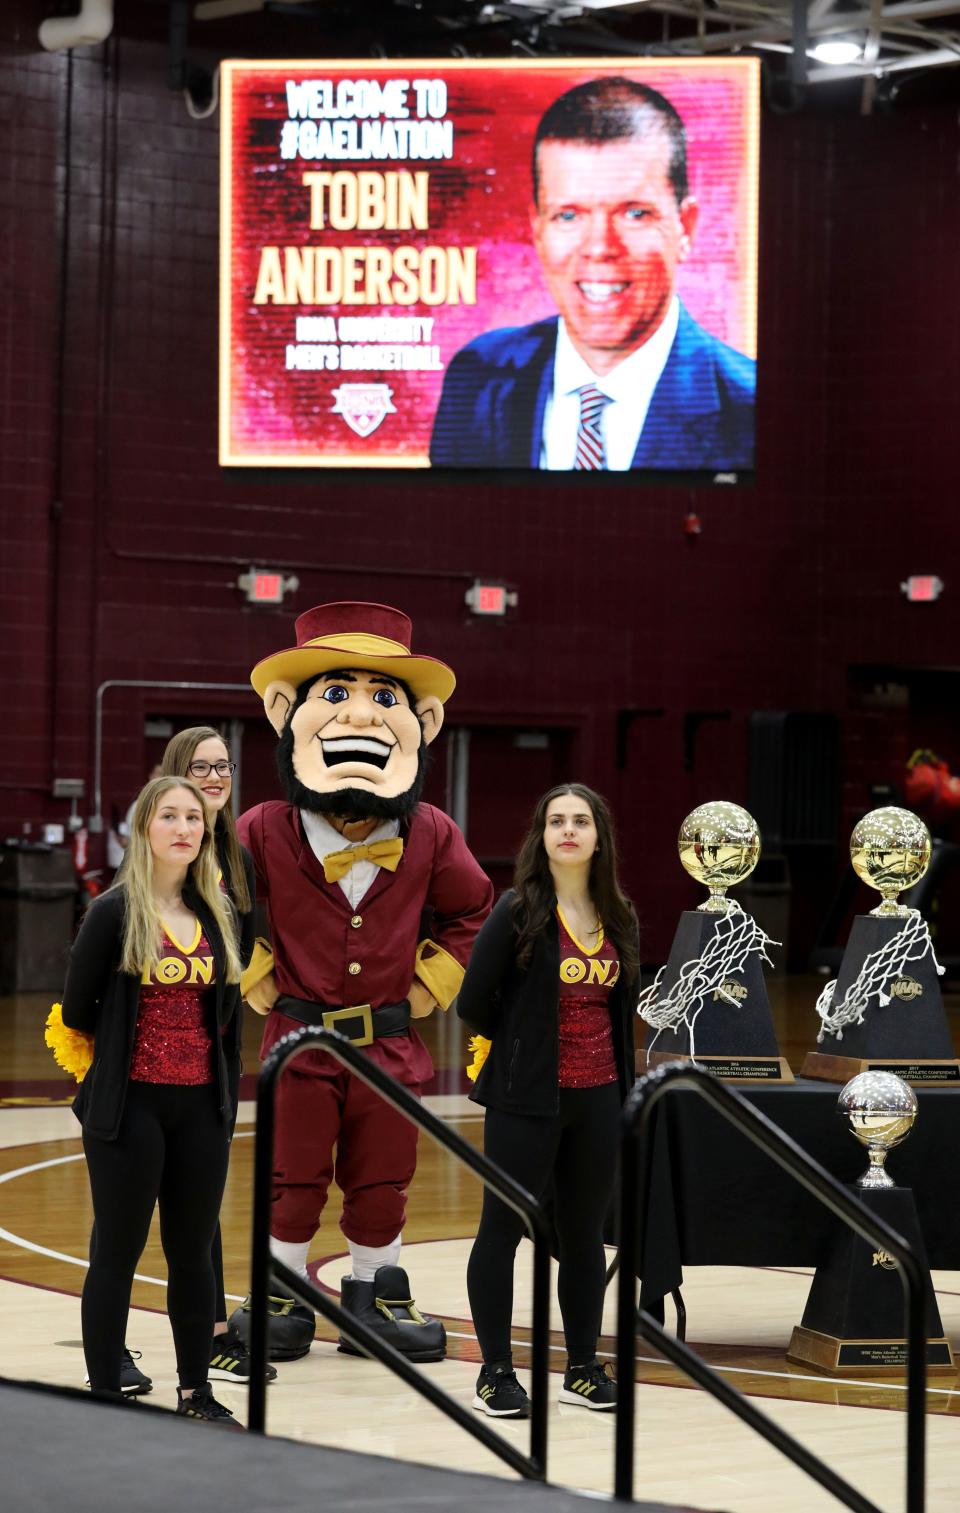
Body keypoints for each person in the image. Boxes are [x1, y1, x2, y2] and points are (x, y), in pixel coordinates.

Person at [228, 600, 494, 1363]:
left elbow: (475, 909)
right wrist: (256, 978)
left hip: (390, 1044)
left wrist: (425, 991)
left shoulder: (433, 831)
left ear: (423, 721)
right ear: (288, 714)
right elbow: (218, 899)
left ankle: (376, 1294)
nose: (362, 714)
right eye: (336, 692)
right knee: (292, 1174)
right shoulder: (261, 828)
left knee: (384, 1178)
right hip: (299, 1042)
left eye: (385, 697)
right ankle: (281, 1293)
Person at [430, 76, 755, 472]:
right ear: (537, 229)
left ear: (686, 227)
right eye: (568, 215)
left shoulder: (752, 409)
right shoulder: (477, 376)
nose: (600, 247)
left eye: (635, 213)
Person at [55, 776, 244, 1425]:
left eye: (194, 816)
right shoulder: (113, 911)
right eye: (169, 815)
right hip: (129, 1108)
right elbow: (77, 1011)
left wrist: (224, 1105)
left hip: (199, 1110)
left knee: (193, 1253)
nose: (184, 827)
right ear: (145, 828)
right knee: (119, 1247)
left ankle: (195, 1391)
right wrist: (109, 1083)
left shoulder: (217, 915)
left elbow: (226, 1022)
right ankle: (105, 1393)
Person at [456, 783, 639, 1418]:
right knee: (500, 1231)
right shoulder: (518, 910)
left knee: (586, 1236)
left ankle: (583, 1368)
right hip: (525, 1100)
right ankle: (496, 1372)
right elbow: (473, 1002)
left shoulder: (619, 916)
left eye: (580, 821)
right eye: (556, 820)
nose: (568, 830)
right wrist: (517, 1049)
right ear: (542, 835)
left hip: (599, 1099)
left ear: (598, 836)